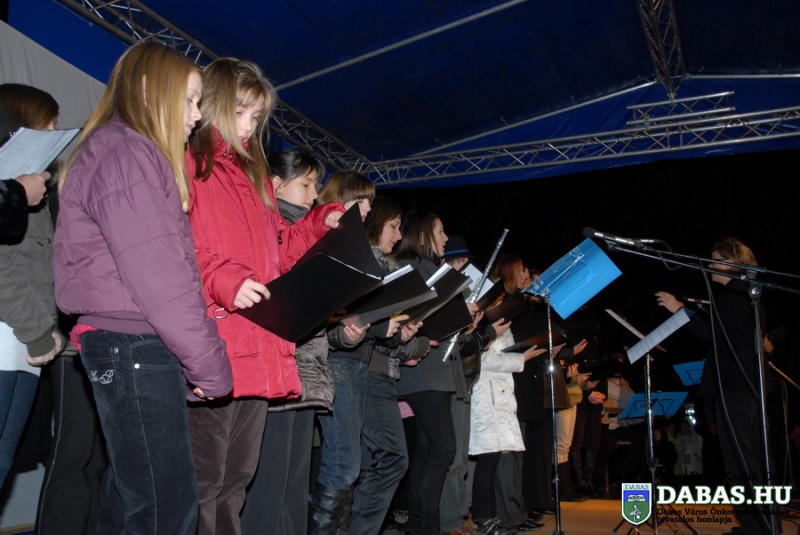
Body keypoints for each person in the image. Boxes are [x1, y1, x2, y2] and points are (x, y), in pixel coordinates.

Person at [53, 42, 234, 534]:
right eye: (189, 99)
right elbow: (162, 279)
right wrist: (210, 366)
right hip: (132, 342)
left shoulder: (121, 149)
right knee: (164, 508)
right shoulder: (128, 150)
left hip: (128, 341)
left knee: (133, 501)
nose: (197, 115)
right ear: (151, 89)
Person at [186, 59, 344, 535]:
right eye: (239, 112)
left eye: (256, 117)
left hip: (258, 340)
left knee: (236, 479)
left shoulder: (254, 178)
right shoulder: (189, 163)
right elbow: (174, 247)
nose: (248, 126)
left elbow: (280, 252)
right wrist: (225, 280)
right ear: (210, 104)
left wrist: (317, 224)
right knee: (203, 482)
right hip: (212, 340)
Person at [239, 148, 337, 535]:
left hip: (307, 369)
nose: (315, 195)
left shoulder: (315, 233)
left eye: (317, 186)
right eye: (307, 184)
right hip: (275, 366)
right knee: (270, 479)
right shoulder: (265, 226)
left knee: (296, 480)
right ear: (276, 184)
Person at [656, 236, 774, 534]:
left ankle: (755, 526)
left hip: (736, 384)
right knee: (748, 455)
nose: (710, 264)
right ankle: (761, 523)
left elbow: (709, 334)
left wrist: (679, 309)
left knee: (740, 457)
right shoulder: (743, 294)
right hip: (743, 384)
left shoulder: (736, 294)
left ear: (734, 263)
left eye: (717, 259)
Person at [0, 84, 64, 492]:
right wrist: (38, 330)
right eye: (48, 126)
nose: (55, 136)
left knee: (3, 461)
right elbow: (3, 267)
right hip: (10, 336)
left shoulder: (33, 190)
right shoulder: (9, 188)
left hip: (22, 342)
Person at [393, 211, 466, 535]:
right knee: (443, 447)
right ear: (423, 234)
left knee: (428, 449)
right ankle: (426, 524)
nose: (445, 238)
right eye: (440, 231)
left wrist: (466, 315)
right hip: (423, 371)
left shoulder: (431, 269)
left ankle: (421, 525)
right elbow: (412, 318)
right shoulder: (414, 269)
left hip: (436, 370)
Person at [469, 328, 547, 535]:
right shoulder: (485, 324)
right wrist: (522, 358)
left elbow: (506, 352)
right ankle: (484, 517)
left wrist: (521, 354)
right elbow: (485, 360)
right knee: (488, 459)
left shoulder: (506, 324)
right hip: (486, 396)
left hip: (502, 395)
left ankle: (499, 516)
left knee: (498, 458)